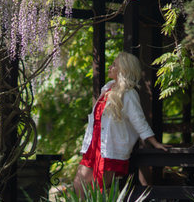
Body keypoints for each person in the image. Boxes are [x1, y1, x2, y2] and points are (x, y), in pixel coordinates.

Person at [73, 51, 170, 197]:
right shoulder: (107, 89)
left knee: (98, 192)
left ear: (123, 70)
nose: (110, 67)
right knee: (79, 185)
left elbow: (138, 120)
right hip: (93, 147)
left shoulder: (129, 94)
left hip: (110, 149)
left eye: (114, 65)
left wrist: (154, 143)